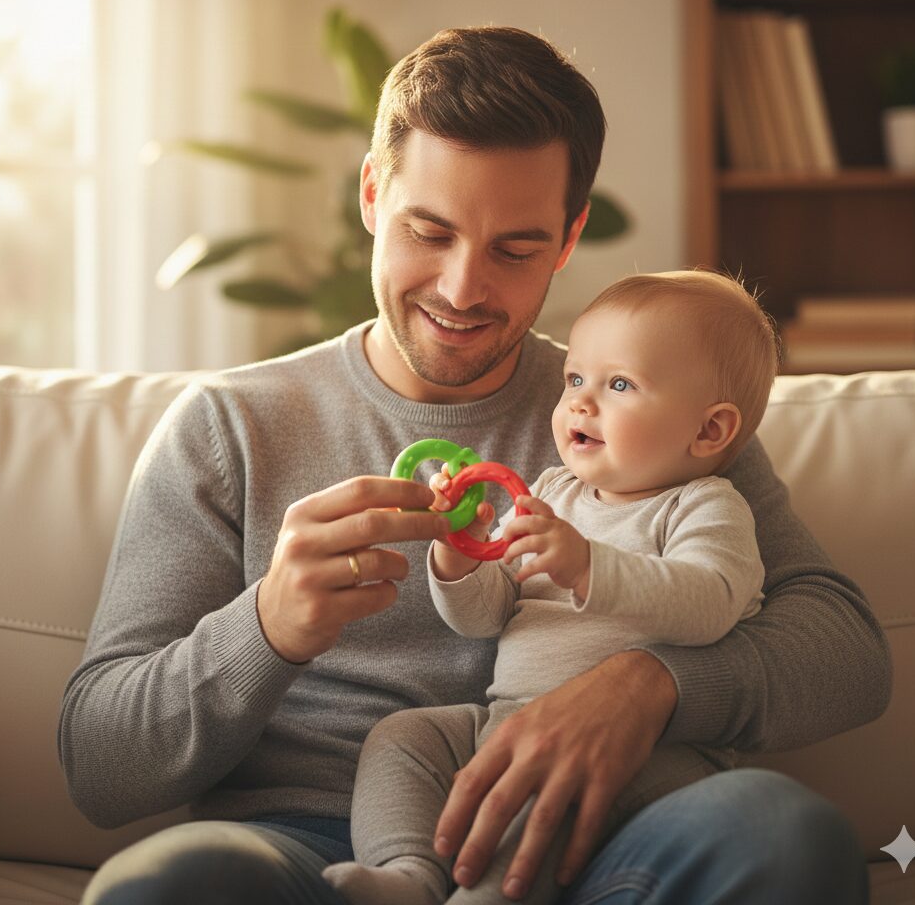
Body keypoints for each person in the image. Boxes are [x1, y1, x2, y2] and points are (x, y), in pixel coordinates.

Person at [59, 27, 888, 905]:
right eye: (431, 230)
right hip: (314, 859)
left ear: (569, 240)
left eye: (516, 250)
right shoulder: (229, 429)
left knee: (784, 836)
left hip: (592, 843)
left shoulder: (645, 414)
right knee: (165, 887)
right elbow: (101, 766)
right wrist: (265, 627)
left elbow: (849, 652)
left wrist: (651, 687)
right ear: (373, 195)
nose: (462, 288)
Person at [323, 270, 776, 905]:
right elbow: (486, 617)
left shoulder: (705, 507)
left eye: (618, 385)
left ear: (708, 431)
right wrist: (460, 557)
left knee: (541, 794)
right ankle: (410, 874)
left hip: (646, 754)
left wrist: (589, 566)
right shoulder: (554, 492)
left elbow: (710, 602)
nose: (581, 403)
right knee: (404, 737)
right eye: (575, 380)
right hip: (507, 720)